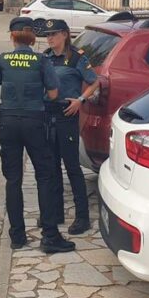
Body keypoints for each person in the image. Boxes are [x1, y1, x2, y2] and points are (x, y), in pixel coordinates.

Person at [0, 17, 75, 254]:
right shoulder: (41, 60)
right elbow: (54, 94)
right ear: (32, 36)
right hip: (35, 121)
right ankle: (50, 236)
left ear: (12, 36)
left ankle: (17, 236)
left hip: (8, 122)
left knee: (13, 180)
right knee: (44, 177)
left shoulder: (2, 60)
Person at [41, 19, 98, 235]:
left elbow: (94, 81)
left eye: (54, 34)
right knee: (52, 167)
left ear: (65, 35)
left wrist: (80, 100)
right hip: (48, 115)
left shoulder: (76, 57)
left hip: (67, 115)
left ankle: (82, 217)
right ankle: (55, 213)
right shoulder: (45, 57)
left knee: (72, 167)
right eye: (48, 35)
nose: (50, 38)